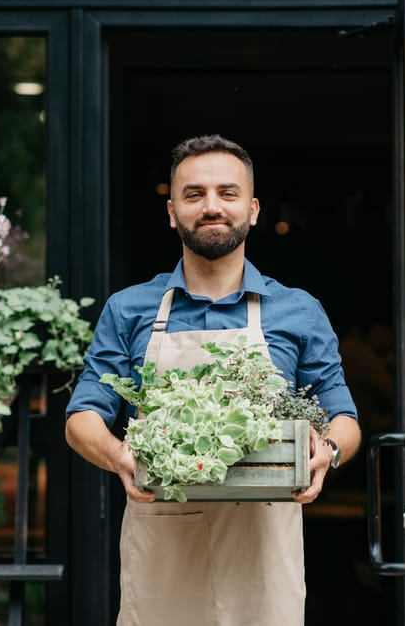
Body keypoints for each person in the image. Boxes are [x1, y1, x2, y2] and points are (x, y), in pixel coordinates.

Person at [64, 134, 361, 626]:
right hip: (163, 543)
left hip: (263, 551)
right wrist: (118, 455)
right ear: (172, 212)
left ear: (253, 209)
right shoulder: (129, 309)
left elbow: (343, 416)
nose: (211, 207)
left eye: (227, 193)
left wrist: (325, 452)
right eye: (194, 194)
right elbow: (82, 417)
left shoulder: (299, 311)